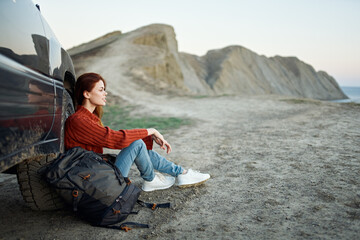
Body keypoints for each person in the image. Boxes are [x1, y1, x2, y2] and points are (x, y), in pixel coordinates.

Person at [65, 73, 210, 192]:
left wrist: (147, 135)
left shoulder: (88, 119)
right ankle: (152, 179)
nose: (105, 93)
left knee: (136, 143)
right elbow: (115, 139)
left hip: (98, 174)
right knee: (136, 142)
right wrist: (150, 131)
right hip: (94, 181)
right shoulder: (78, 120)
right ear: (87, 94)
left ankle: (181, 173)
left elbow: (115, 138)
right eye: (101, 89)